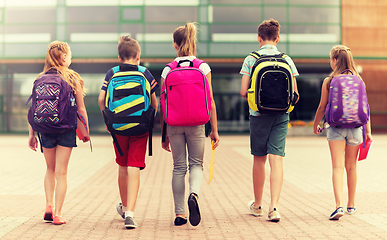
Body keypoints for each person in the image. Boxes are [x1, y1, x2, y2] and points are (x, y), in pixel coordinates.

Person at [160, 22, 220, 227]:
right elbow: (210, 100)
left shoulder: (168, 70)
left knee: (178, 167)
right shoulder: (203, 67)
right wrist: (214, 130)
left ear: (175, 45)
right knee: (196, 164)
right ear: (193, 43)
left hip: (174, 124)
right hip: (197, 123)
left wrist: (164, 134)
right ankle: (193, 194)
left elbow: (163, 103)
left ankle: (179, 214)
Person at [240, 19, 299, 222]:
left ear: (259, 38)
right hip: (281, 116)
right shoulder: (287, 60)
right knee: (277, 159)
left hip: (258, 115)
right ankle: (274, 208)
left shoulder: (251, 59)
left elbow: (243, 91)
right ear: (278, 38)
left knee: (259, 158)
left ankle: (257, 205)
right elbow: (295, 93)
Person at [98, 35, 158, 229]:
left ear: (119, 56)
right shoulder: (145, 73)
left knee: (122, 165)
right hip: (140, 126)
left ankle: (124, 209)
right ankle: (130, 213)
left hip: (118, 127)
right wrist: (149, 119)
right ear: (138, 55)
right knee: (134, 166)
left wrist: (108, 120)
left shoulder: (112, 73)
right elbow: (155, 102)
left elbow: (101, 99)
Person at [28, 41, 89, 225]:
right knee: (62, 173)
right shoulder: (73, 78)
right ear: (63, 58)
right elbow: (81, 109)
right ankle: (59, 214)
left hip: (45, 129)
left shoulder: (39, 78)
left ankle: (48, 205)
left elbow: (33, 109)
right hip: (65, 129)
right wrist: (85, 132)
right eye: (70, 56)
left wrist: (31, 134)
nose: (70, 59)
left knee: (50, 168)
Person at [313, 45, 372, 220]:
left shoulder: (329, 80)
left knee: (337, 167)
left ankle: (338, 205)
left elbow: (322, 107)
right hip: (356, 128)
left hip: (336, 128)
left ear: (335, 60)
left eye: (331, 59)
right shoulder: (359, 80)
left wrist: (316, 124)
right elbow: (365, 108)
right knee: (352, 167)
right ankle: (351, 205)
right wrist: (368, 131)